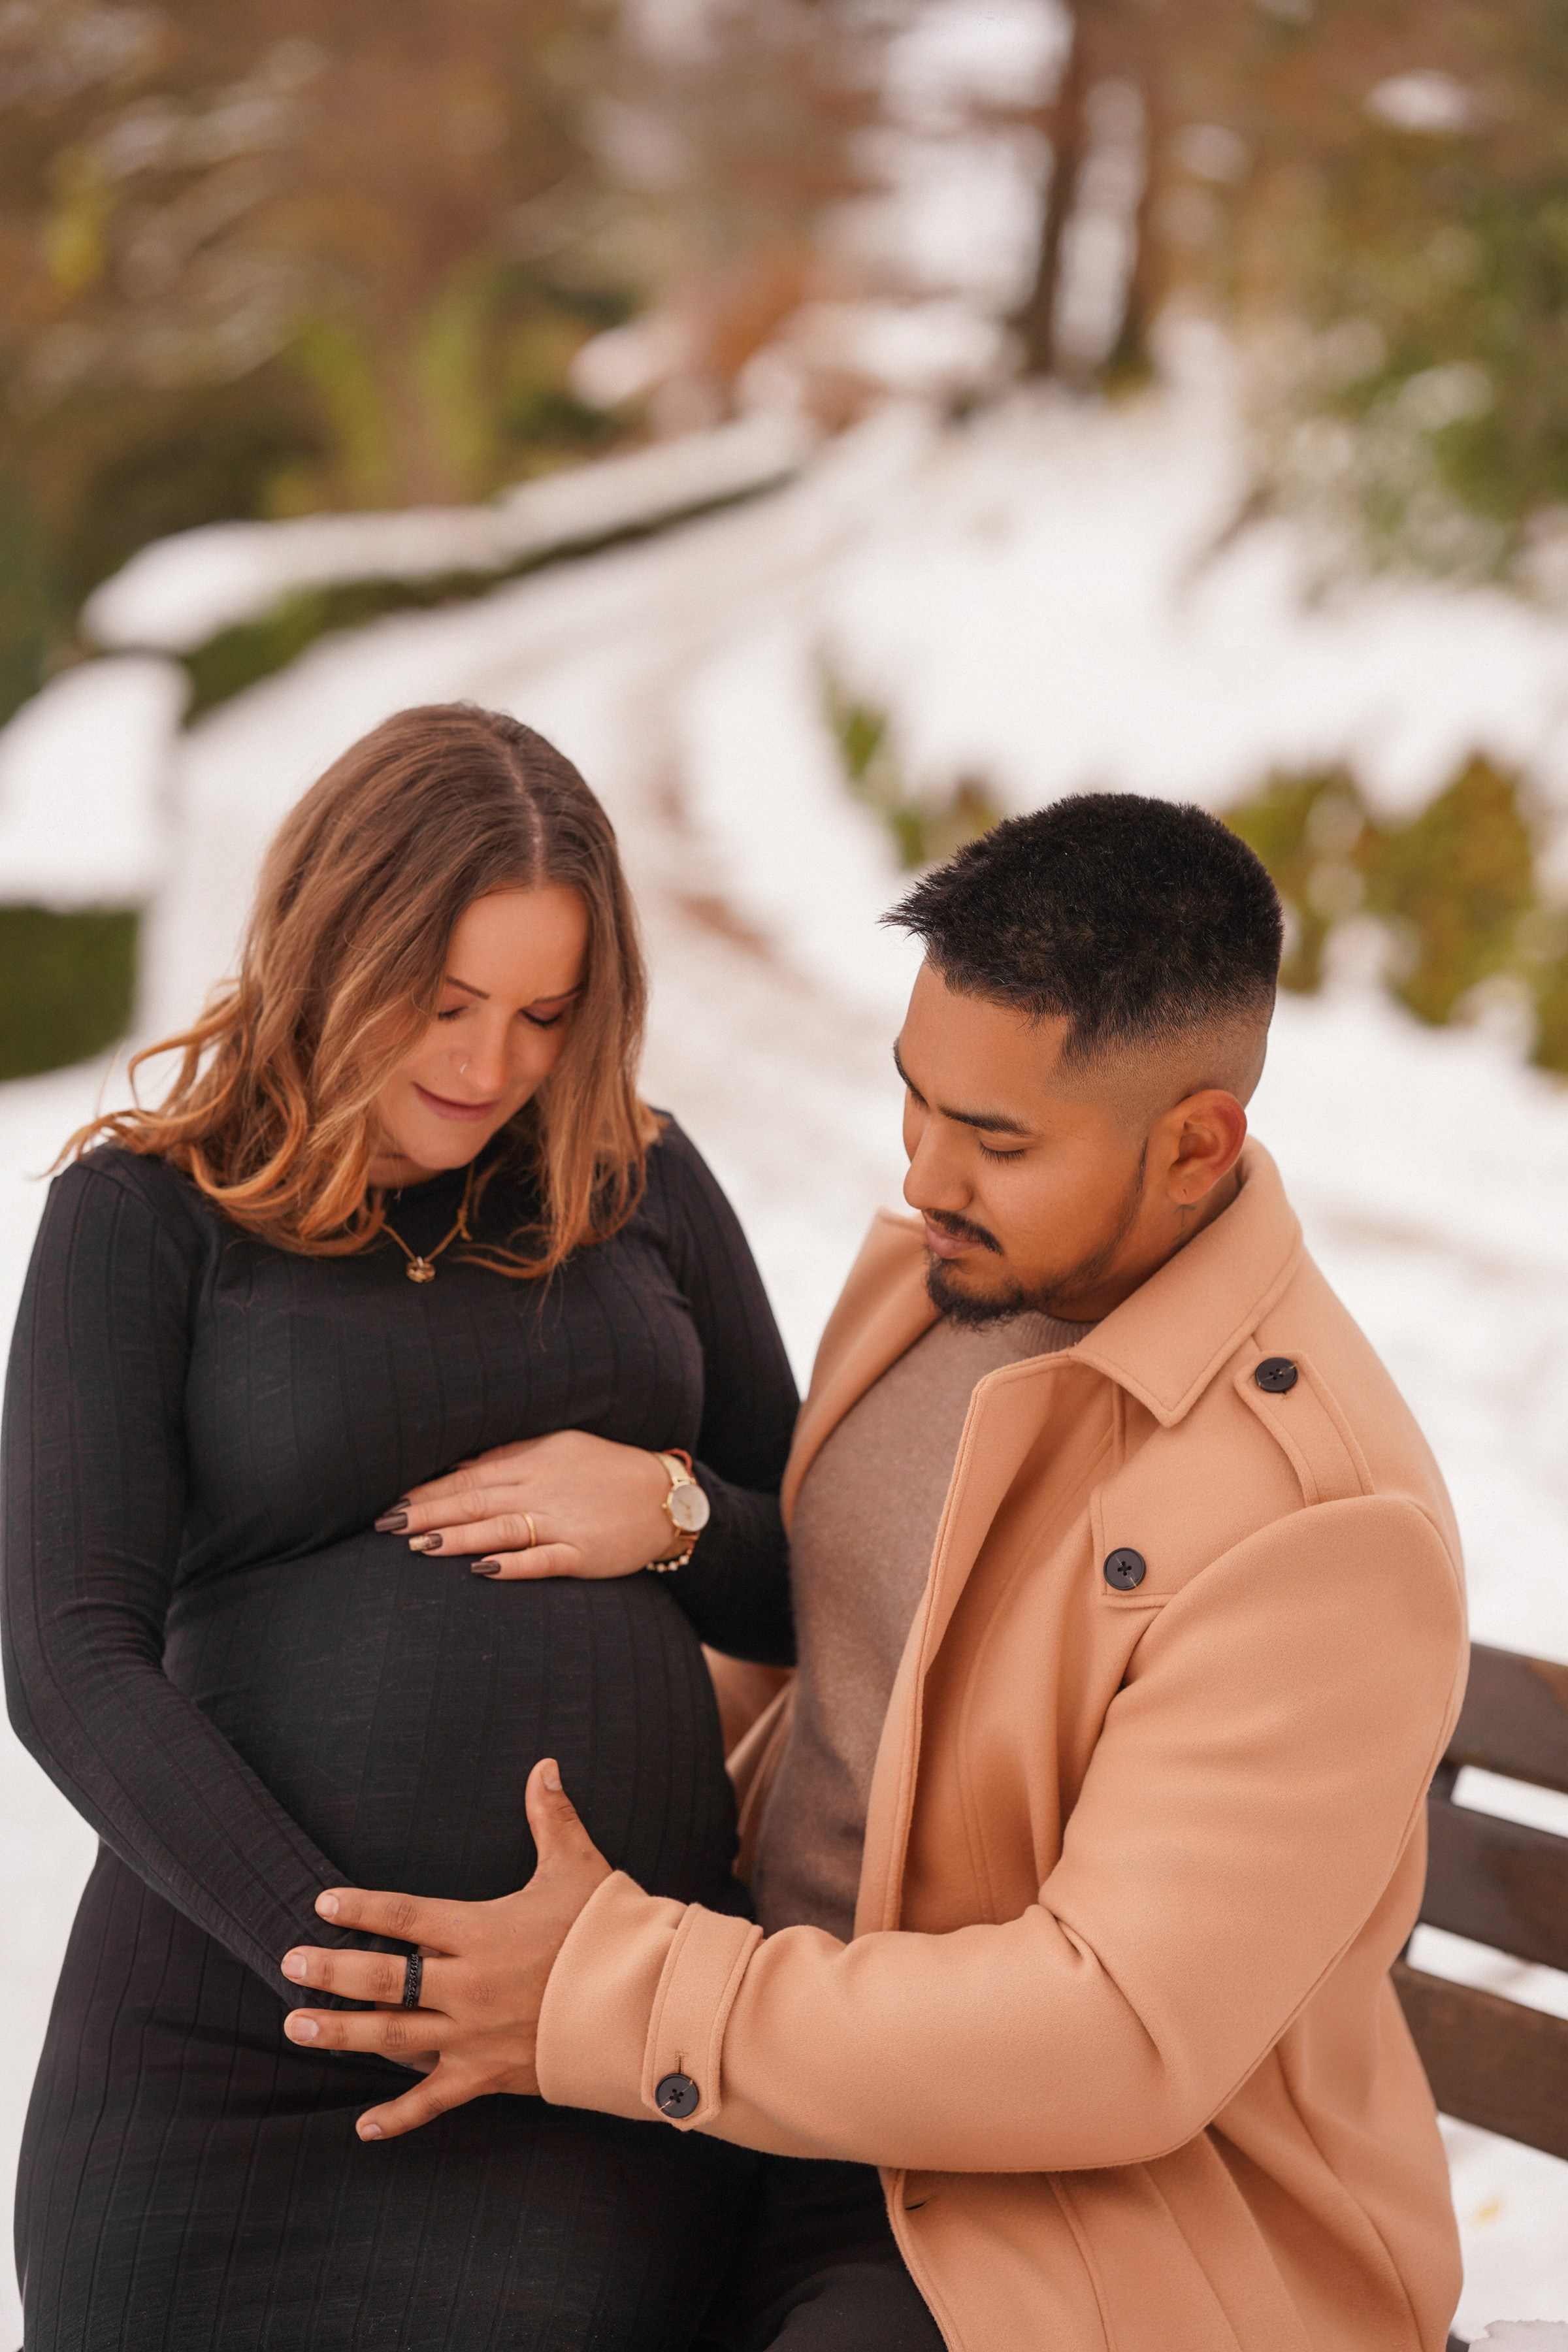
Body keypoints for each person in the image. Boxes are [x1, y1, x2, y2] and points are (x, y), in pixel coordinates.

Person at [278, 795, 1469, 2352]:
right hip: (761, 2093)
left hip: (1087, 2219)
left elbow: (1110, 2037)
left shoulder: (1325, 1529)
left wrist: (614, 1986)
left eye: (995, 1140)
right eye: (916, 1104)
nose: (923, 1178)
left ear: (1196, 1145)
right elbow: (824, 1675)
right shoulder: (930, 1293)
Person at [1, 703, 800, 2351]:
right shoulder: (148, 1216)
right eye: (441, 1005)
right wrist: (343, 1969)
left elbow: (807, 1575)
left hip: (575, 2074)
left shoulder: (638, 1188)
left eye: (541, 1014)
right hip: (224, 2056)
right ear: (328, 947)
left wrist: (661, 1510)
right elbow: (65, 1653)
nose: (488, 1065)